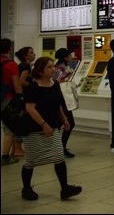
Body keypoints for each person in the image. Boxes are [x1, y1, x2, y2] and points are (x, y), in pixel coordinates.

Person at [21, 56, 82, 201]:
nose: (53, 69)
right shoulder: (33, 87)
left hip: (53, 126)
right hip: (34, 129)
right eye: (49, 67)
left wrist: (63, 118)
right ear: (40, 71)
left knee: (58, 156)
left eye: (53, 66)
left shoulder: (54, 84)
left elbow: (57, 103)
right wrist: (43, 124)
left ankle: (65, 188)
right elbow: (30, 108)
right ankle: (26, 188)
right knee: (31, 160)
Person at [12, 46, 37, 158]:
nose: (34, 54)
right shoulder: (26, 66)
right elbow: (21, 81)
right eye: (31, 53)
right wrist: (32, 86)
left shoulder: (21, 65)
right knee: (22, 121)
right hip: (24, 96)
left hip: (18, 96)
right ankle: (18, 148)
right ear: (26, 56)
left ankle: (15, 148)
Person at [1, 38, 21, 166]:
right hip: (6, 99)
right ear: (9, 49)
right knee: (8, 130)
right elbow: (17, 85)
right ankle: (4, 157)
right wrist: (21, 99)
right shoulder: (11, 64)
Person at [54, 48, 77, 158]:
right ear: (65, 57)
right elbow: (59, 82)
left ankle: (57, 147)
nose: (71, 56)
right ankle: (61, 148)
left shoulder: (57, 66)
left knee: (59, 123)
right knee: (70, 123)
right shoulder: (62, 68)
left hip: (58, 98)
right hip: (62, 99)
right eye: (69, 54)